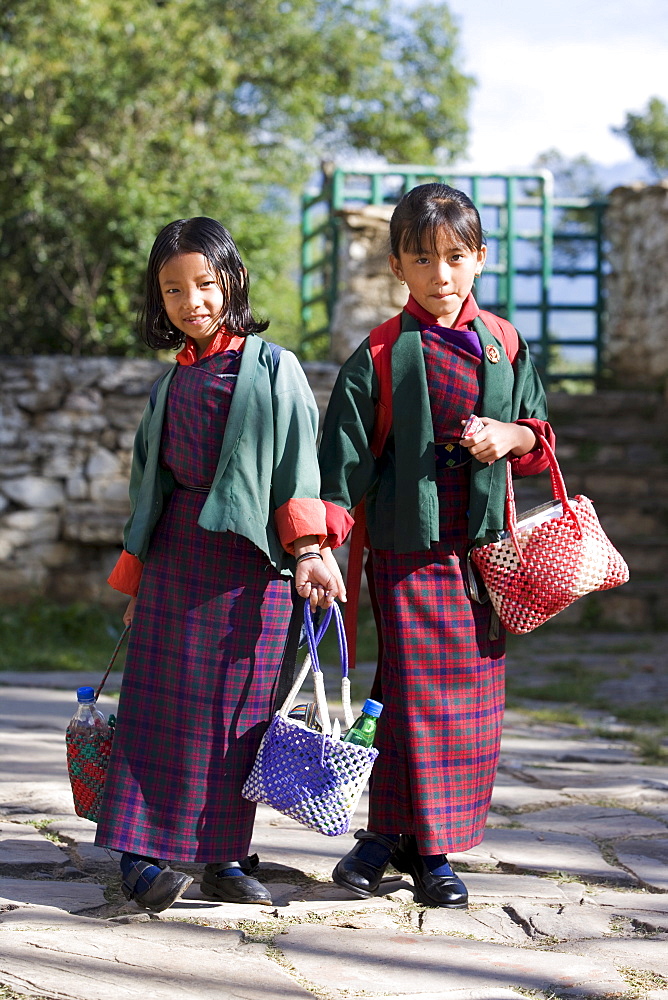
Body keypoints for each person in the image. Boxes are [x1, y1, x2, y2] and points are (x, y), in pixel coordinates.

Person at [318, 183, 555, 909]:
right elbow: (342, 460)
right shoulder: (384, 352)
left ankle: (392, 838)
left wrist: (507, 436)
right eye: (423, 259)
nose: (441, 275)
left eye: (456, 258)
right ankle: (434, 853)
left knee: (456, 699)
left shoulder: (504, 343)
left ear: (481, 260)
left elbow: (539, 438)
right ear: (398, 265)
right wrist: (318, 543)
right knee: (420, 693)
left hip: (483, 554)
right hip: (406, 548)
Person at [95, 217, 341, 912]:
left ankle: (225, 857)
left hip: (251, 570)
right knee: (153, 711)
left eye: (204, 282)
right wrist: (137, 583)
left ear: (231, 279)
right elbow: (150, 491)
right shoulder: (167, 386)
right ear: (160, 301)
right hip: (176, 562)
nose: (191, 300)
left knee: (238, 717)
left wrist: (310, 552)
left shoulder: (273, 368)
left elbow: (297, 467)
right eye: (173, 289)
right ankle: (138, 857)